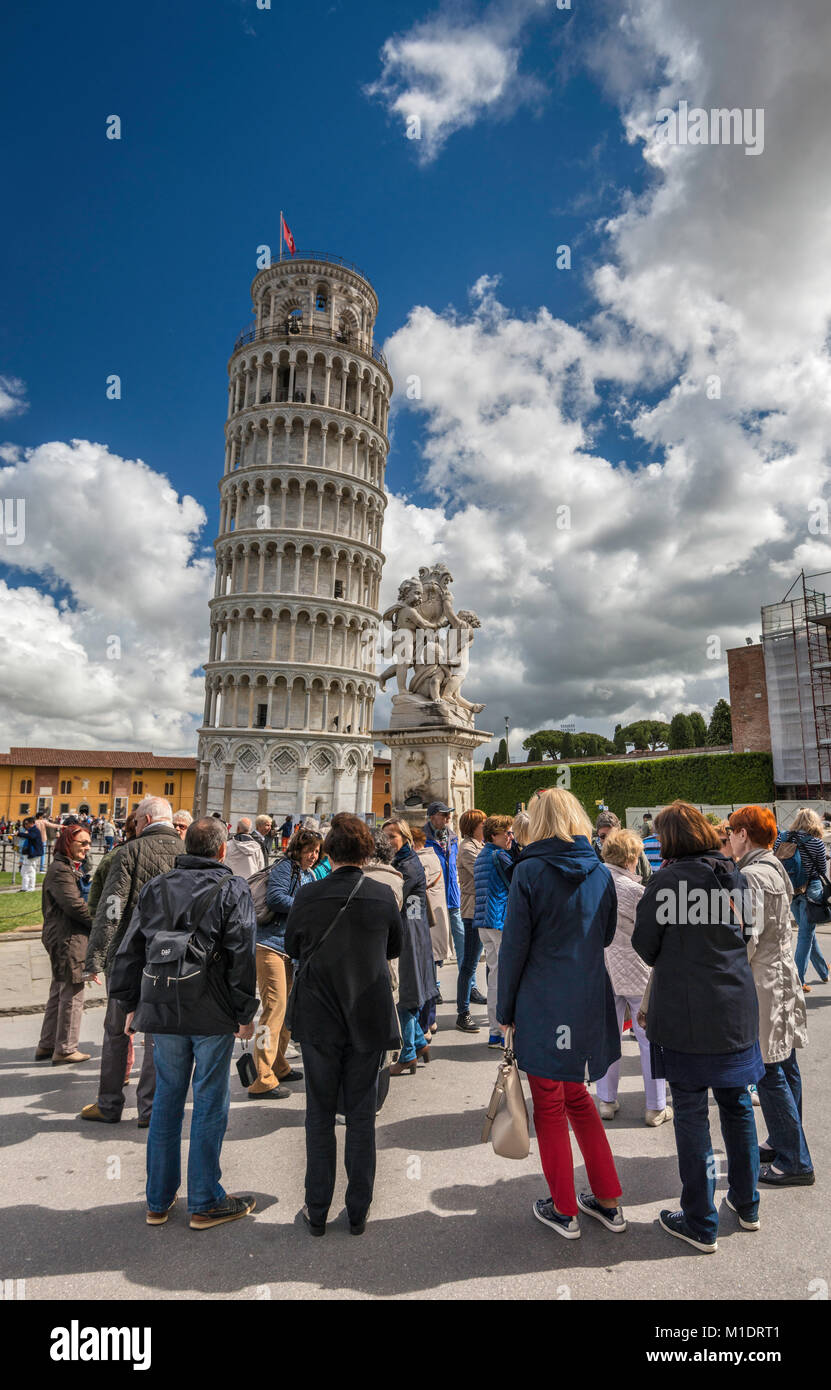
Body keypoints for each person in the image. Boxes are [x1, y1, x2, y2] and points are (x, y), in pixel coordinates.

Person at [108, 817, 258, 1229]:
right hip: (211, 1008)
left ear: (186, 847)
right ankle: (206, 1198)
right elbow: (241, 954)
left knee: (167, 1100)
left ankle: (158, 1198)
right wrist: (245, 1013)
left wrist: (127, 1004)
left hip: (162, 1004)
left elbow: (131, 947)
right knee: (209, 1101)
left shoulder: (157, 886)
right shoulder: (232, 888)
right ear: (222, 850)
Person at [632, 801, 763, 1253]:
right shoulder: (733, 873)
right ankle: (747, 1204)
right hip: (734, 1006)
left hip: (688, 1012)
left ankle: (700, 1220)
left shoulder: (667, 880)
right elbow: (746, 933)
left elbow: (645, 947)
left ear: (672, 839)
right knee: (737, 1105)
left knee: (691, 1113)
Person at [497, 788, 626, 1240]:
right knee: (578, 1100)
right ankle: (608, 1199)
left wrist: (505, 1009)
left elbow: (514, 947)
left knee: (550, 1105)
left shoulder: (529, 869)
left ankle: (564, 1207)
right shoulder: (600, 870)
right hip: (587, 996)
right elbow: (607, 935)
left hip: (544, 1000)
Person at [284, 815, 401, 1235]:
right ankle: (358, 1209)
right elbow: (395, 945)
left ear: (329, 853)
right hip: (367, 1013)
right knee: (361, 1114)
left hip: (319, 1015)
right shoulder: (383, 895)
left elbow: (292, 944)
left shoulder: (309, 894)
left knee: (318, 1112)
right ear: (367, 854)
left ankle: (316, 1208)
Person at [81, 797, 182, 1127]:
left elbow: (111, 909)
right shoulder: (187, 853)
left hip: (127, 958)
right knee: (156, 1035)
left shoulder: (128, 853)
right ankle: (150, 1111)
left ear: (148, 818)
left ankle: (109, 1105)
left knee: (116, 1032)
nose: (134, 825)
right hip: (170, 960)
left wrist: (95, 957)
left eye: (137, 820)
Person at [727, 807, 814, 1187]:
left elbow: (747, 938)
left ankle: (795, 1159)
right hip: (778, 976)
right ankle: (785, 1142)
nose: (728, 837)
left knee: (768, 1070)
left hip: (763, 980)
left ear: (743, 833)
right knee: (784, 1065)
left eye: (731, 831)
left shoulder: (750, 875)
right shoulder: (772, 865)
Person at [596, 829, 671, 1125]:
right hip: (637, 968)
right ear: (631, 857)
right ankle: (655, 1105)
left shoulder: (594, 883)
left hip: (602, 967)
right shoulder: (634, 891)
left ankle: (606, 1099)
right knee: (650, 1038)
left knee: (608, 1037)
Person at [248, 827, 321, 1097]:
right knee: (274, 1008)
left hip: (291, 949)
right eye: (309, 850)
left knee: (288, 1008)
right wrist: (307, 905)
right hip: (269, 945)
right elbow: (275, 898)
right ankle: (263, 1075)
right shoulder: (284, 868)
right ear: (298, 849)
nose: (313, 855)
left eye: (316, 851)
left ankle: (279, 1064)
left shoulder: (309, 873)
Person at [35, 822, 94, 1064]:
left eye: (89, 843)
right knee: (73, 990)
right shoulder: (61, 870)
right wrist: (99, 922)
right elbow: (75, 906)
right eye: (83, 843)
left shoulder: (63, 867)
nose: (88, 848)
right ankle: (66, 1048)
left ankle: (47, 1045)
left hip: (61, 935)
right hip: (68, 937)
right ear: (68, 843)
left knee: (58, 991)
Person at [381, 820, 434, 1074]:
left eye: (392, 836)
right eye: (385, 837)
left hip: (408, 933)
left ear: (404, 837)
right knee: (407, 988)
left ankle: (407, 1053)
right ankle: (420, 1042)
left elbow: (395, 898)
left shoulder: (407, 866)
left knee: (405, 992)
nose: (389, 841)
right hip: (411, 929)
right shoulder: (403, 862)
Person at [775, 808, 829, 991]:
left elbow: (775, 860)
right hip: (810, 891)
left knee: (808, 932)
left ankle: (823, 972)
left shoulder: (781, 838)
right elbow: (822, 869)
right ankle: (797, 979)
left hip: (790, 890)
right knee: (806, 934)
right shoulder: (816, 842)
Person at [473, 814, 515, 1048]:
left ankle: (493, 1032)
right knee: (502, 978)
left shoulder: (483, 854)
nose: (510, 836)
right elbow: (517, 878)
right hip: (499, 919)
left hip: (484, 921)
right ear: (493, 836)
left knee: (494, 977)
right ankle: (500, 1031)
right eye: (506, 833)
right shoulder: (499, 855)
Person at [411, 825, 450, 1038]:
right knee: (430, 976)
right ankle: (431, 1021)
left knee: (425, 978)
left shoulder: (420, 860)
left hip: (425, 924)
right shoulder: (433, 856)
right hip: (433, 922)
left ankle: (425, 1024)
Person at [423, 801, 465, 974]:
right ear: (432, 817)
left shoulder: (453, 838)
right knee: (432, 946)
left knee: (463, 942)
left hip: (453, 898)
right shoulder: (423, 840)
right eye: (444, 814)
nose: (448, 817)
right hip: (433, 900)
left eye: (449, 814)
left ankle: (470, 985)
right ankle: (434, 986)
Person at [456, 808, 487, 1031]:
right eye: (482, 823)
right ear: (472, 827)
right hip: (472, 909)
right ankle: (462, 1012)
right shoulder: (468, 849)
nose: (485, 826)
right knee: (469, 964)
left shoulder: (481, 846)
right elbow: (484, 872)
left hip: (482, 906)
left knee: (486, 960)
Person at [594, 810, 652, 882]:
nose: (607, 840)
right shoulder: (592, 854)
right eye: (603, 836)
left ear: (619, 832)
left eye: (612, 835)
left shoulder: (634, 850)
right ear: (598, 835)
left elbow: (648, 878)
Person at [18, 817, 43, 892]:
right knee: (27, 871)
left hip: (33, 853)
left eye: (26, 823)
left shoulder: (34, 830)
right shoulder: (31, 830)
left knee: (27, 871)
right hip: (30, 853)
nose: (25, 825)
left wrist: (19, 834)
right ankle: (27, 887)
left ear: (31, 823)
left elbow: (31, 836)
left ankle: (28, 888)